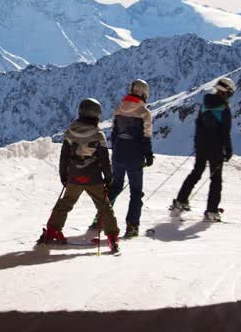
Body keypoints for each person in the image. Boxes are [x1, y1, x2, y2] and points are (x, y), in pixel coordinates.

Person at [38, 98, 121, 253]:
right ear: (97, 114)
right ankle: (112, 237)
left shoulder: (70, 132)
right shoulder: (98, 135)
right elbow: (104, 159)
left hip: (74, 176)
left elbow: (64, 157)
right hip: (94, 178)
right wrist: (108, 177)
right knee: (104, 206)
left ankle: (52, 231)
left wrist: (64, 175)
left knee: (66, 203)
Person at [170, 77, 236, 222]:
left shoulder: (205, 104)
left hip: (201, 145)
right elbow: (225, 131)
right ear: (228, 92)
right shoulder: (224, 108)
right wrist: (228, 149)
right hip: (216, 148)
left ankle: (181, 201)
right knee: (215, 180)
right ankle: (211, 211)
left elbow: (198, 124)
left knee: (196, 173)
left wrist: (198, 143)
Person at [108, 78, 154, 238]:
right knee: (135, 192)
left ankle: (100, 219)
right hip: (135, 157)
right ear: (144, 93)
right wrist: (148, 155)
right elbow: (146, 136)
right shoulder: (144, 113)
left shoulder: (119, 108)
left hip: (118, 155)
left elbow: (113, 133)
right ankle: (132, 226)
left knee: (115, 186)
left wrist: (116, 150)